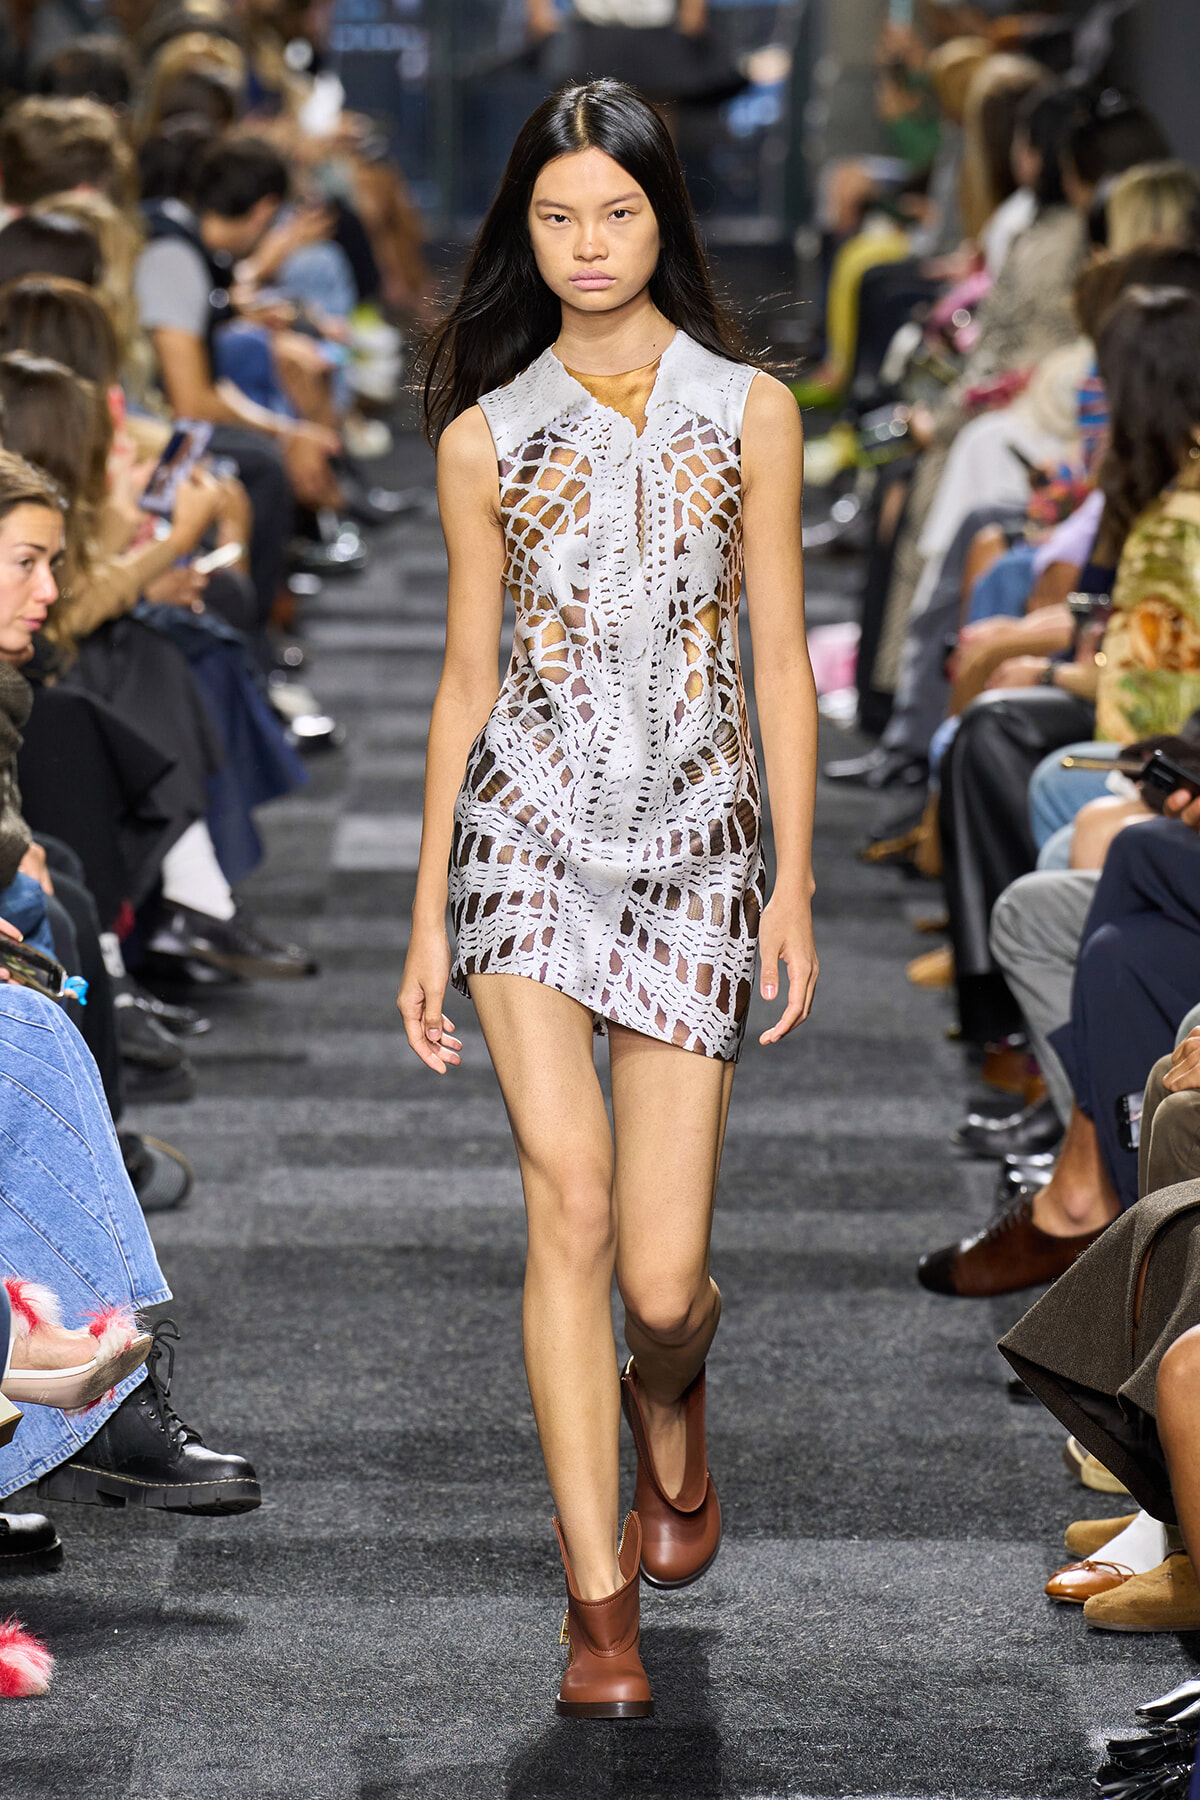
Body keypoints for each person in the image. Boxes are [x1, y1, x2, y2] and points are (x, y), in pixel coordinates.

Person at [397, 79, 818, 1719]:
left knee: (660, 1281)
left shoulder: (750, 412)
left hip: (703, 849)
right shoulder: (484, 437)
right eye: (557, 217)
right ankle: (595, 1617)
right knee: (563, 1200)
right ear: (525, 230)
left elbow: (780, 656)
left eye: (618, 213)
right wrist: (431, 911)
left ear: (665, 218)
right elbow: (461, 686)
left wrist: (786, 880)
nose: (587, 246)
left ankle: (674, 1386)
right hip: (527, 841)